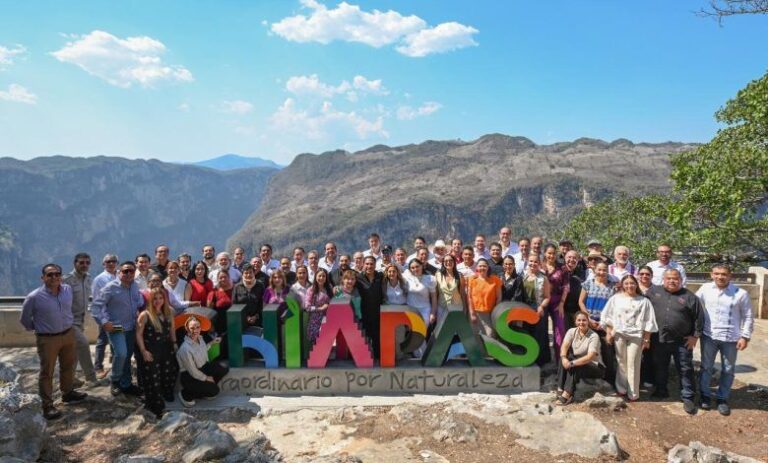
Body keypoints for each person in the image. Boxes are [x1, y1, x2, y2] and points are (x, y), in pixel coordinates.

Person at [20, 263, 88, 420]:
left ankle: (68, 393)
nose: (54, 277)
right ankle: (48, 405)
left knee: (68, 366)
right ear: (43, 277)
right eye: (50, 274)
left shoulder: (67, 290)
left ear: (61, 276)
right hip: (48, 339)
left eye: (57, 274)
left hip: (68, 334)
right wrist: (40, 329)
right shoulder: (34, 297)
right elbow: (24, 320)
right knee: (47, 372)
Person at [696, 264, 754, 416]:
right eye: (717, 273)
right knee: (706, 367)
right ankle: (705, 396)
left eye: (723, 274)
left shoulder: (740, 293)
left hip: (731, 338)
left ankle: (722, 398)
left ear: (730, 276)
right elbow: (693, 304)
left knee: (728, 370)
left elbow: (748, 316)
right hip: (709, 336)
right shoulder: (705, 289)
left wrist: (745, 336)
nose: (720, 277)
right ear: (711, 274)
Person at [646, 269, 704, 414]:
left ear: (680, 280)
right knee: (660, 366)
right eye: (669, 278)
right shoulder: (653, 292)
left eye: (675, 278)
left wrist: (695, 336)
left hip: (682, 341)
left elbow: (699, 318)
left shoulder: (690, 297)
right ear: (663, 279)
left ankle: (688, 397)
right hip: (659, 339)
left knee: (685, 369)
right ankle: (661, 390)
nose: (672, 281)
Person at [90, 261, 145, 397]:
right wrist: (104, 322)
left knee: (126, 357)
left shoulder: (134, 286)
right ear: (119, 272)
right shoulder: (110, 287)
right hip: (117, 327)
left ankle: (126, 384)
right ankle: (114, 380)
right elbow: (95, 307)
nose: (128, 273)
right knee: (121, 354)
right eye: (125, 271)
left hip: (131, 326)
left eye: (131, 271)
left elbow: (139, 301)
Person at [600, 275, 658, 401]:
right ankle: (621, 388)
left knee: (633, 363)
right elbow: (606, 316)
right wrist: (609, 332)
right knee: (621, 361)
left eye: (632, 283)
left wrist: (647, 338)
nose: (629, 286)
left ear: (636, 284)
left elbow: (649, 320)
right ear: (622, 285)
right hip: (619, 334)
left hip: (636, 335)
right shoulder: (615, 299)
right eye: (626, 283)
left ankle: (633, 393)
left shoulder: (644, 301)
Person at [136, 287, 178, 417]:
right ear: (150, 300)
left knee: (168, 372)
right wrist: (143, 351)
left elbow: (172, 329)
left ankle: (168, 393)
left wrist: (175, 343)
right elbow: (138, 334)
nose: (158, 301)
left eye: (160, 298)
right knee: (153, 377)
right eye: (155, 299)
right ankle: (156, 405)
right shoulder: (145, 315)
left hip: (166, 348)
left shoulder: (170, 312)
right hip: (151, 349)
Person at [62, 253, 101, 388]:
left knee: (74, 352)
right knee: (83, 345)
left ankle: (70, 379)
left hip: (81, 320)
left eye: (87, 263)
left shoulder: (88, 278)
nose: (85, 265)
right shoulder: (67, 280)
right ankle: (91, 378)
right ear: (75, 263)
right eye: (81, 262)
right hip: (69, 322)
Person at [579, 261, 617, 386]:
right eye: (599, 269)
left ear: (608, 271)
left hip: (605, 324)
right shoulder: (588, 284)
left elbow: (615, 306)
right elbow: (581, 302)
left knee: (608, 350)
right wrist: (588, 318)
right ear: (594, 270)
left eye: (604, 270)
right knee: (586, 349)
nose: (601, 272)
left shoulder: (613, 286)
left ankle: (609, 378)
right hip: (588, 322)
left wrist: (604, 323)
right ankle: (586, 375)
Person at [177, 317, 229, 407]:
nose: (195, 330)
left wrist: (212, 343)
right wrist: (206, 378)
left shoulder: (200, 339)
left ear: (200, 328)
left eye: (197, 327)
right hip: (189, 376)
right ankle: (185, 393)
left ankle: (205, 389)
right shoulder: (185, 349)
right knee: (215, 391)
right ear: (187, 329)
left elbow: (203, 350)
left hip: (203, 367)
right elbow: (192, 371)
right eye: (192, 328)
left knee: (223, 369)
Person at [556, 312, 605, 405]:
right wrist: (563, 358)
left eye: (584, 320)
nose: (581, 322)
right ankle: (560, 387)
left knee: (575, 364)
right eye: (579, 320)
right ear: (575, 321)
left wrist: (571, 363)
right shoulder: (571, 331)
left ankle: (568, 394)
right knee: (565, 357)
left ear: (588, 322)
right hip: (580, 362)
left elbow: (590, 357)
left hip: (595, 367)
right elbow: (564, 346)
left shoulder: (593, 336)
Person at [91, 253, 118, 380]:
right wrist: (102, 319)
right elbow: (97, 301)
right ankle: (98, 367)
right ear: (103, 264)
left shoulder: (120, 275)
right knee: (103, 340)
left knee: (116, 339)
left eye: (113, 261)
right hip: (106, 316)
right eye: (108, 262)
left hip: (118, 316)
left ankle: (115, 365)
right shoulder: (99, 280)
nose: (111, 263)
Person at [543, 244, 570, 363]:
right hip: (543, 301)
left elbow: (566, 287)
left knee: (560, 330)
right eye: (549, 253)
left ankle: (560, 359)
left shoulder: (562, 268)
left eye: (553, 253)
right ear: (545, 254)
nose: (551, 255)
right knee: (541, 329)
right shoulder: (540, 266)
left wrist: (562, 304)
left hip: (557, 302)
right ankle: (545, 359)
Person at [405, 259, 437, 355]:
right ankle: (418, 355)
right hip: (411, 309)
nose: (415, 269)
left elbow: (434, 298)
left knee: (420, 332)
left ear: (422, 266)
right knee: (414, 333)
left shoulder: (430, 279)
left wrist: (433, 313)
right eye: (412, 267)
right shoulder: (407, 278)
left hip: (425, 310)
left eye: (417, 266)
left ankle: (423, 355)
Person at [523, 255, 551, 366]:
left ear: (539, 263)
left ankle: (539, 361)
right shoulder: (523, 276)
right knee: (526, 333)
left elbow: (547, 296)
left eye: (535, 262)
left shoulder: (543, 278)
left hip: (538, 310)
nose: (533, 264)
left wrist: (541, 307)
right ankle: (527, 357)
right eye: (531, 261)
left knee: (538, 335)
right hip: (525, 309)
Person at [356, 256, 385, 357]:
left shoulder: (381, 276)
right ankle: (365, 359)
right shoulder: (358, 278)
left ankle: (378, 359)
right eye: (367, 264)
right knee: (365, 338)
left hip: (378, 313)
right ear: (363, 265)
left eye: (371, 264)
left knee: (378, 338)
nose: (369, 266)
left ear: (375, 265)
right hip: (364, 313)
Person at [467, 259, 502, 338]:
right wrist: (472, 313)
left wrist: (496, 312)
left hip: (490, 314)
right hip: (476, 313)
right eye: (480, 266)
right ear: (477, 267)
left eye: (484, 266)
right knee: (476, 337)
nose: (482, 268)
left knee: (490, 335)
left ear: (488, 267)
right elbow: (469, 297)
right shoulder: (472, 279)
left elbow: (499, 297)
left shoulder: (495, 279)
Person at [304, 268, 334, 343]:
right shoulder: (311, 290)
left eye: (323, 276)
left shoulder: (329, 287)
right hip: (315, 320)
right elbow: (307, 307)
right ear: (315, 277)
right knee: (317, 344)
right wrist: (320, 308)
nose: (321, 278)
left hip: (328, 318)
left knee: (328, 342)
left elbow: (335, 300)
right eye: (319, 276)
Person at [233, 264, 265, 329]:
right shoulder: (237, 287)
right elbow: (234, 304)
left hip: (258, 321)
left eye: (250, 272)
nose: (248, 275)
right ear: (242, 274)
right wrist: (246, 317)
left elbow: (263, 304)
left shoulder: (260, 285)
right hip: (241, 322)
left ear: (254, 273)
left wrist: (256, 316)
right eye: (246, 273)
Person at [435, 254, 466, 322]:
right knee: (442, 330)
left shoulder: (459, 276)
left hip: (457, 307)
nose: (448, 262)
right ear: (443, 263)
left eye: (450, 260)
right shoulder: (438, 275)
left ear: (454, 262)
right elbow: (436, 293)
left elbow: (462, 294)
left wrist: (465, 309)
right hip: (442, 307)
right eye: (446, 261)